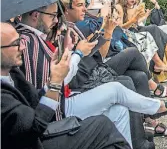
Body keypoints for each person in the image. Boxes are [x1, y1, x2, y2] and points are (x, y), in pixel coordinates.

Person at [1, 22, 132, 149]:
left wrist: (51, 83)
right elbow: (32, 129)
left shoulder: (13, 73)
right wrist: (56, 83)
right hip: (34, 139)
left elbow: (33, 99)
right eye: (16, 43)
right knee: (104, 124)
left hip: (43, 126)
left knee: (117, 110)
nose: (22, 47)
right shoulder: (32, 42)